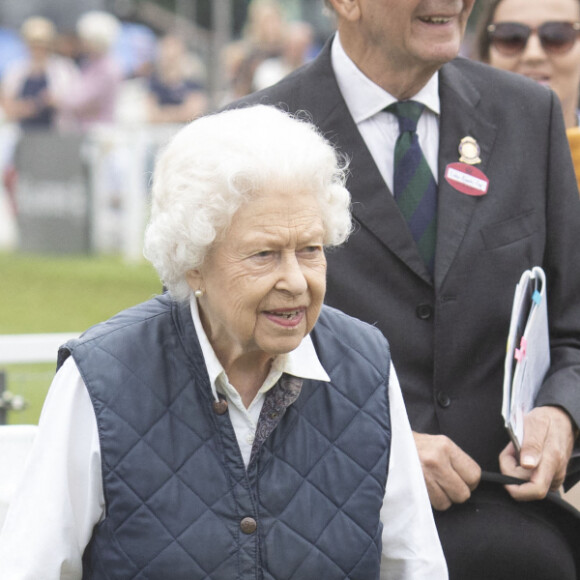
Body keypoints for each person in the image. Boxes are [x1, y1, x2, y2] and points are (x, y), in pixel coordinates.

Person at [0, 105, 447, 579]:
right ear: (193, 262)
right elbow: (33, 565)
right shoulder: (103, 377)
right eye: (264, 254)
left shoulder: (365, 366)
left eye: (310, 250)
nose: (295, 281)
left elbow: (414, 564)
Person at [228, 1, 580, 578]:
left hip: (509, 532)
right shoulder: (248, 136)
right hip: (323, 529)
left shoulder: (526, 115)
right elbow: (217, 372)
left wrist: (561, 412)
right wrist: (378, 451)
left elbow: (572, 328)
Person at [475, 0, 580, 191]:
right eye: (510, 38)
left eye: (558, 36)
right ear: (485, 55)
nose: (533, 55)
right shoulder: (449, 158)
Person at [0, 16, 79, 131]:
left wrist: (53, 101)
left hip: (56, 131)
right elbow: (7, 103)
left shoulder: (63, 69)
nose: (38, 48)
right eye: (34, 44)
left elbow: (76, 101)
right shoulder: (16, 69)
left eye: (41, 44)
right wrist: (24, 108)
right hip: (23, 131)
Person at [55, 11, 123, 131]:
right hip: (82, 130)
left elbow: (81, 101)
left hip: (99, 131)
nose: (81, 43)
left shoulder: (107, 69)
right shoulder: (89, 64)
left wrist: (58, 99)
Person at [145, 34, 208, 124]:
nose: (170, 53)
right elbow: (151, 116)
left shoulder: (192, 81)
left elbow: (195, 113)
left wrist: (164, 114)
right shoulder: (154, 82)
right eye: (166, 49)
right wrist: (180, 113)